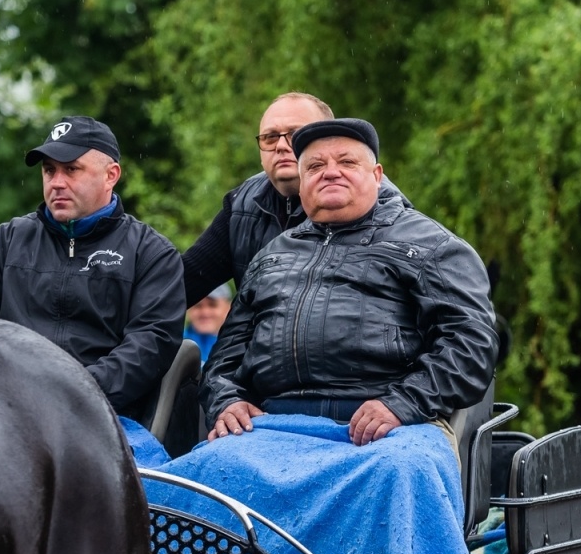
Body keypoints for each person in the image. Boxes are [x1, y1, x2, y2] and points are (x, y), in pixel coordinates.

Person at [201, 117, 498, 445]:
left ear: (377, 176)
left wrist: (402, 403)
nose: (330, 172)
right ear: (301, 184)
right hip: (273, 427)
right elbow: (223, 361)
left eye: (347, 162)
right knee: (188, 482)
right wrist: (226, 402)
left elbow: (472, 343)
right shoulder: (271, 255)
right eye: (315, 166)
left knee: (402, 473)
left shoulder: (433, 247)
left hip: (393, 428)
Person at [0, 116, 184, 416]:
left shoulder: (152, 254)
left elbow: (150, 345)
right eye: (49, 171)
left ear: (111, 175)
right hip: (1, 411)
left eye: (71, 170)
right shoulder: (6, 241)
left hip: (106, 419)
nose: (57, 183)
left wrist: (70, 393)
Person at [181, 92, 412, 307]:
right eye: (270, 137)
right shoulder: (242, 205)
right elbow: (183, 284)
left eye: (294, 135)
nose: (281, 146)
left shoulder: (385, 211)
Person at [184, 284, 231, 364]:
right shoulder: (174, 343)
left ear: (228, 308)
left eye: (212, 305)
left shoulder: (238, 345)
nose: (205, 313)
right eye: (198, 306)